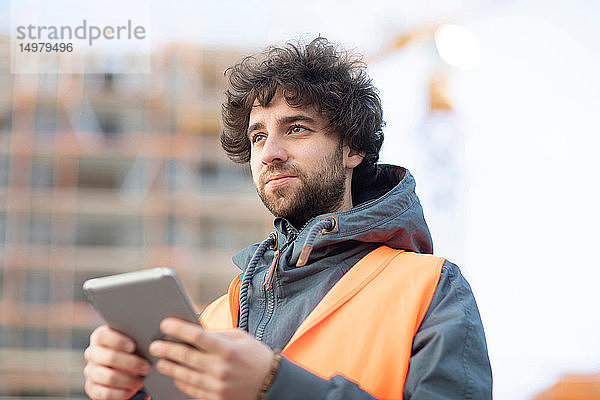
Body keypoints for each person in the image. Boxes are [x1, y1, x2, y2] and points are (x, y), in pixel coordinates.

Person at [83, 37, 492, 400]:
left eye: (295, 128)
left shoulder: (432, 290)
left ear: (353, 150)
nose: (269, 152)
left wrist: (276, 387)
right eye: (258, 136)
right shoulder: (215, 318)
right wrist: (131, 389)